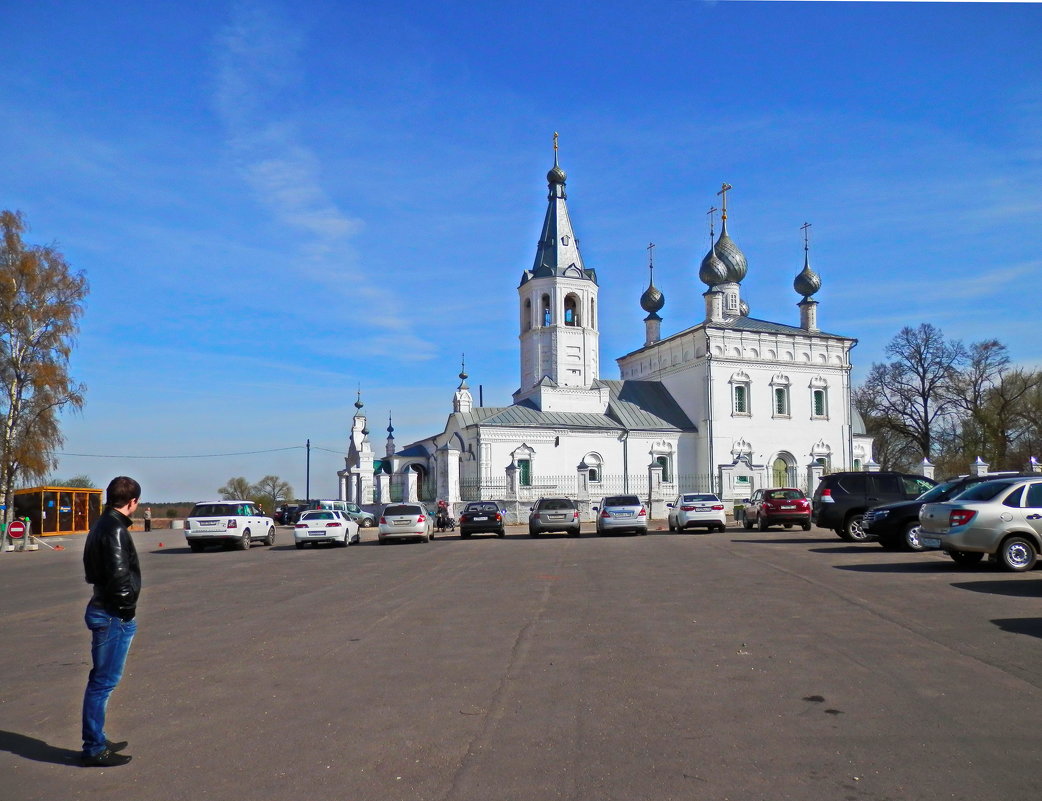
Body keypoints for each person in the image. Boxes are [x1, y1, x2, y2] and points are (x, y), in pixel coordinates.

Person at [80, 476, 142, 767]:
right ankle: (93, 748)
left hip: (103, 607)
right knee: (103, 682)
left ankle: (98, 736)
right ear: (132, 502)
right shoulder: (116, 529)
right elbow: (119, 577)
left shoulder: (102, 523)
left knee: (101, 680)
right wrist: (126, 610)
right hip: (111, 614)